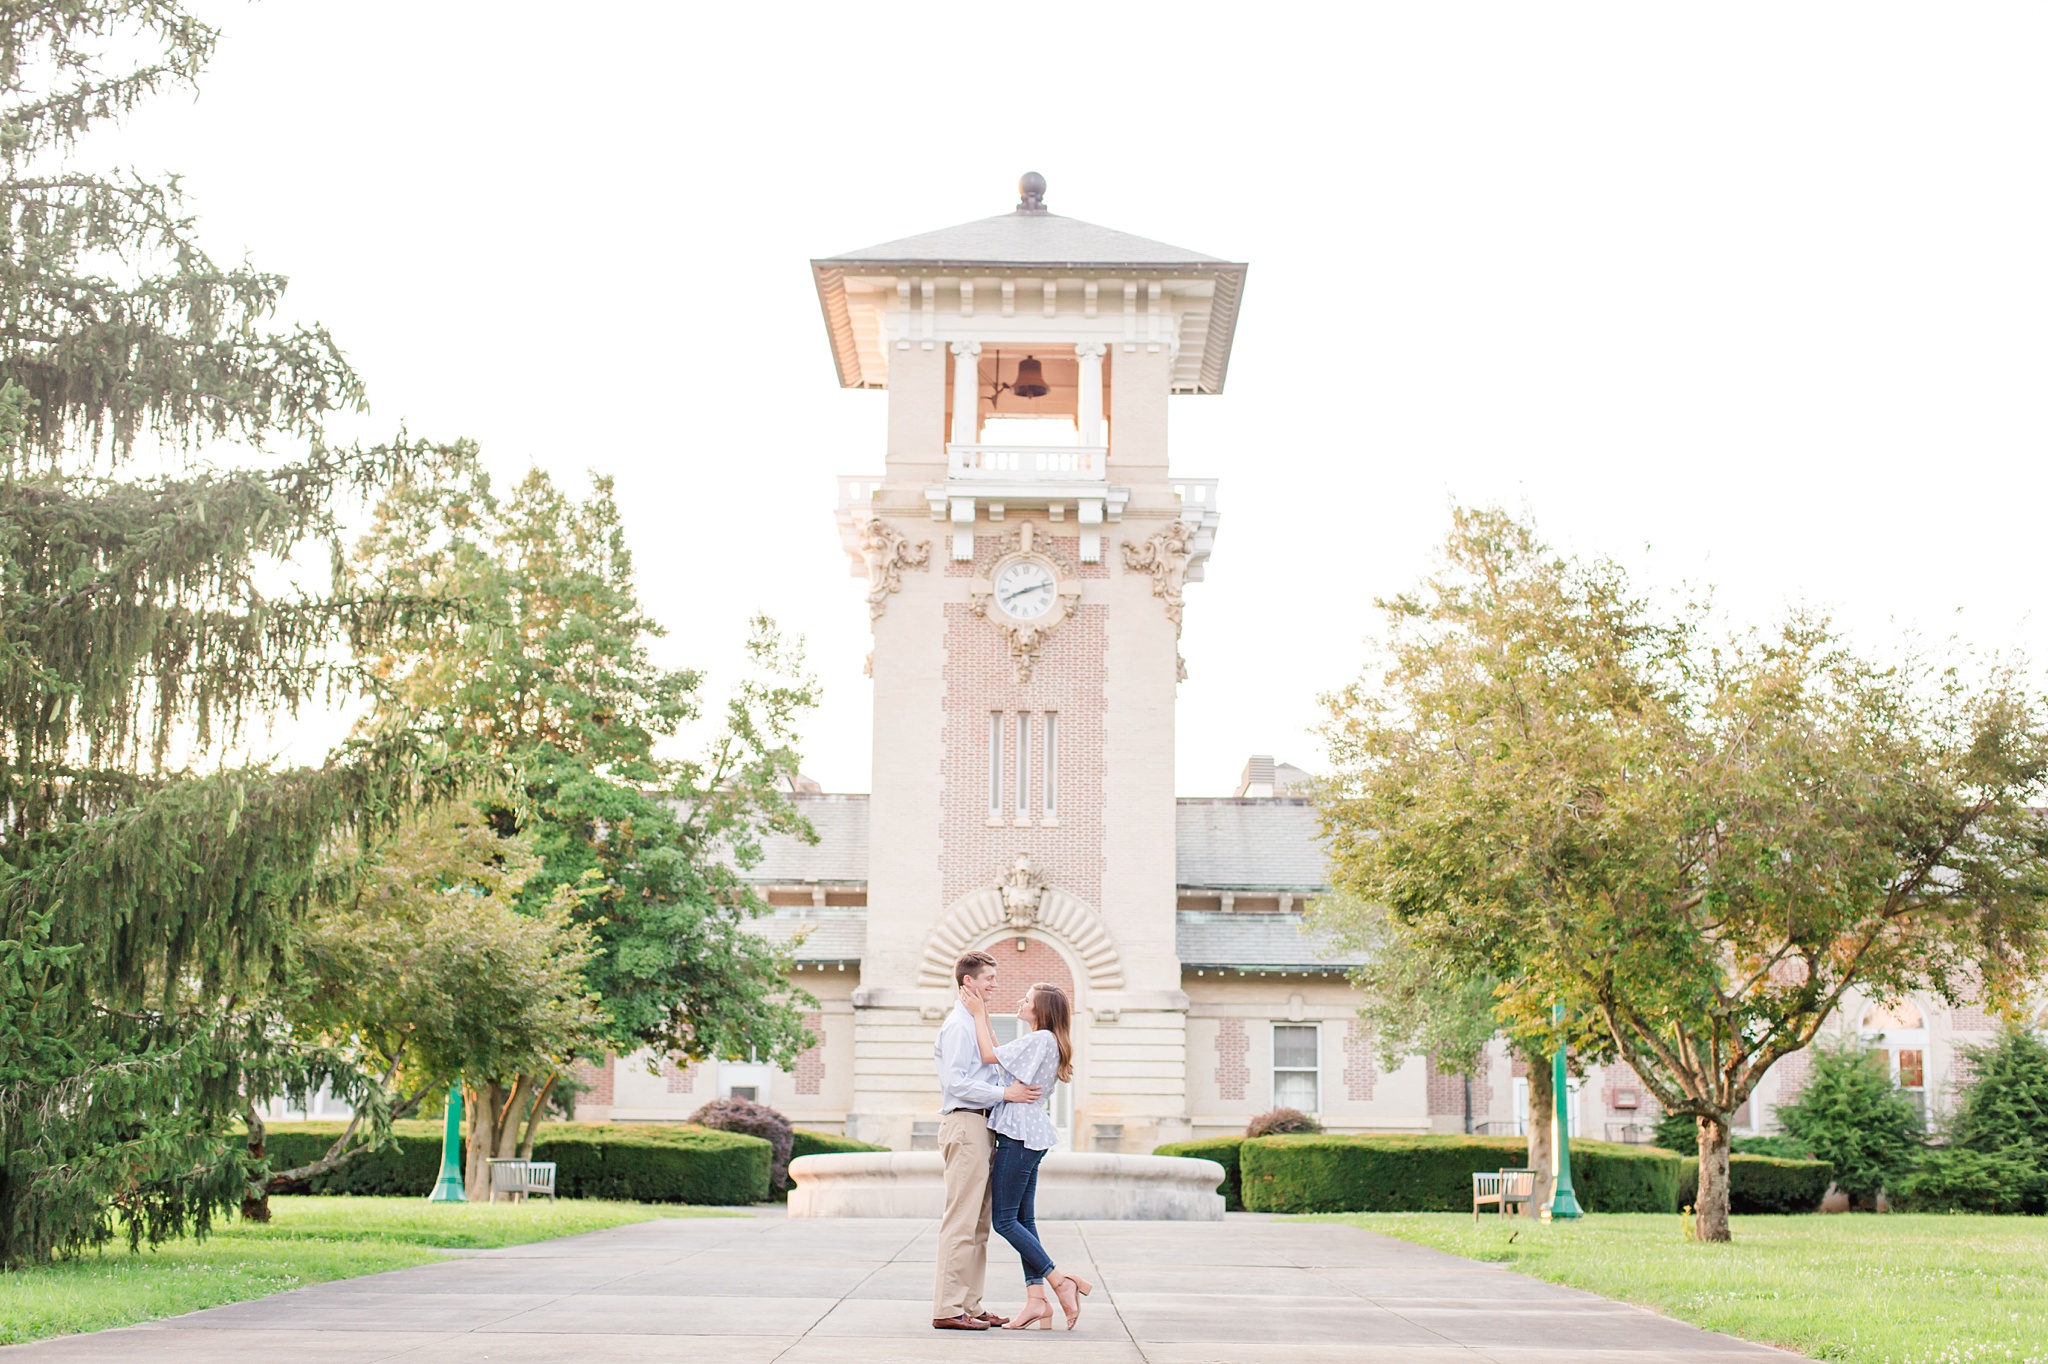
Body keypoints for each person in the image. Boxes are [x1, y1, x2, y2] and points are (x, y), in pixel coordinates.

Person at [962, 979, 1095, 1330]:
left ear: (1041, 1011)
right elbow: (1000, 1050)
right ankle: (1037, 1301)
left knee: (1004, 1221)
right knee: (1024, 1220)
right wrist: (984, 1014)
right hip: (1031, 1134)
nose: (1021, 1002)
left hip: (1020, 1136)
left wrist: (977, 1012)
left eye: (1028, 1000)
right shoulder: (1045, 1041)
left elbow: (989, 1055)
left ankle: (1059, 1281)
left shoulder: (1040, 1039)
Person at [931, 950, 1043, 1332]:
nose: (995, 984)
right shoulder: (958, 1026)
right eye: (989, 978)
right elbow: (957, 1083)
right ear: (969, 982)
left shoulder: (973, 1021)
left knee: (979, 1224)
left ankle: (971, 1305)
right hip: (965, 1125)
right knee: (961, 1221)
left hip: (983, 1127)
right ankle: (947, 1307)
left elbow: (991, 1066)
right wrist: (1005, 1095)